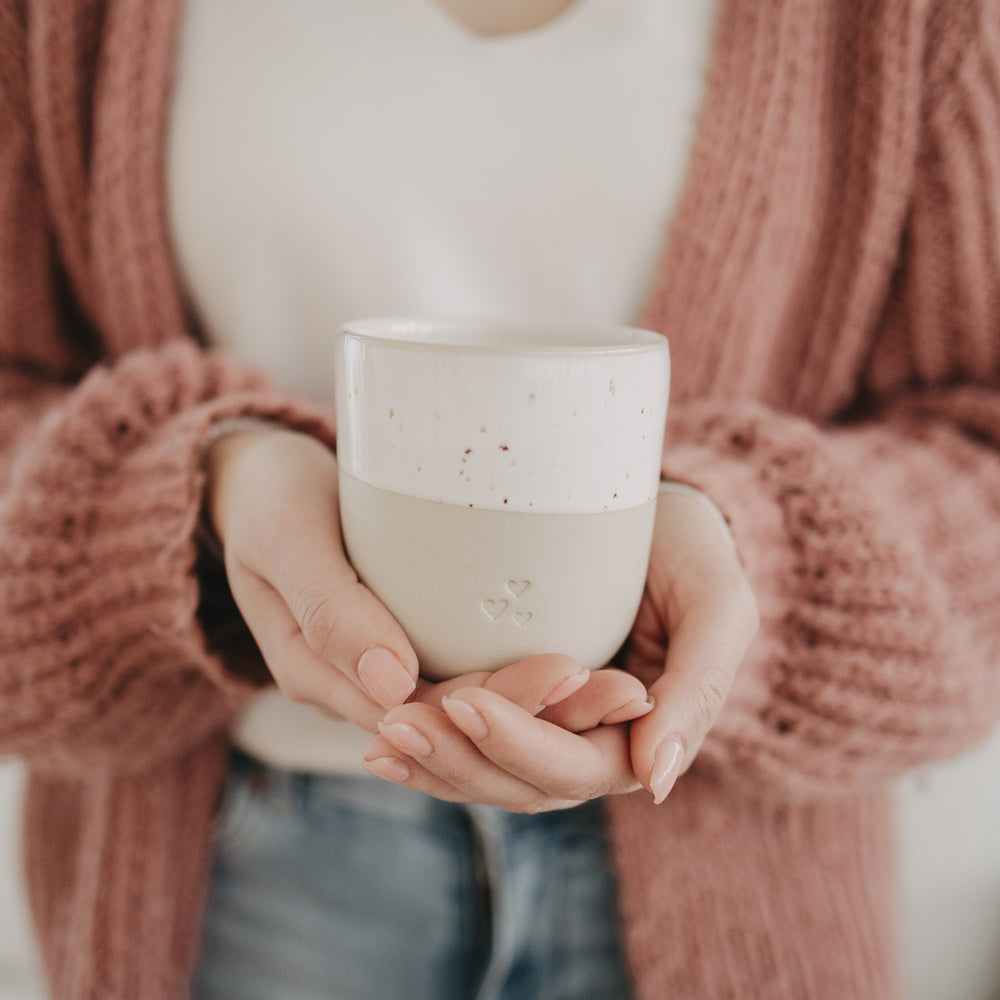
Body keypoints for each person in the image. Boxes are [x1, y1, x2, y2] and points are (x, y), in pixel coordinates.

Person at [1, 0, 998, 998]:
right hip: (241, 872)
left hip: (743, 886)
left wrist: (751, 561)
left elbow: (980, 440)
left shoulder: (915, 22)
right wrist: (200, 494)